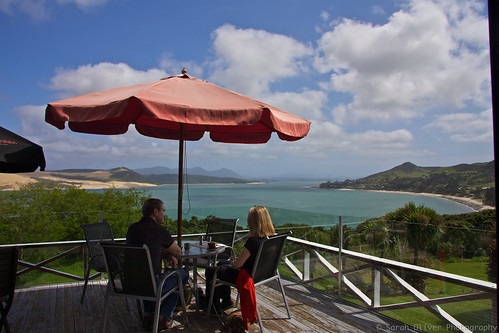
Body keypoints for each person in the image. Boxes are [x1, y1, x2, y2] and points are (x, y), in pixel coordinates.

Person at [126, 198, 189, 331]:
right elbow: (178, 251)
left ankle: (149, 315)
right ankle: (163, 316)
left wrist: (165, 253)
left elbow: (147, 247)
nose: (164, 214)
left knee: (147, 275)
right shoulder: (159, 230)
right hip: (152, 285)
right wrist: (169, 253)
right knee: (182, 275)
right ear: (155, 212)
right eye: (163, 211)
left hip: (130, 283)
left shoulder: (132, 228)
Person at [203, 205, 275, 315]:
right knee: (221, 263)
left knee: (210, 270)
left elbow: (238, 264)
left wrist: (232, 263)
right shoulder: (269, 240)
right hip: (259, 274)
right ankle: (226, 300)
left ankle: (213, 307)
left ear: (253, 222)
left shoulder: (253, 241)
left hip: (244, 275)